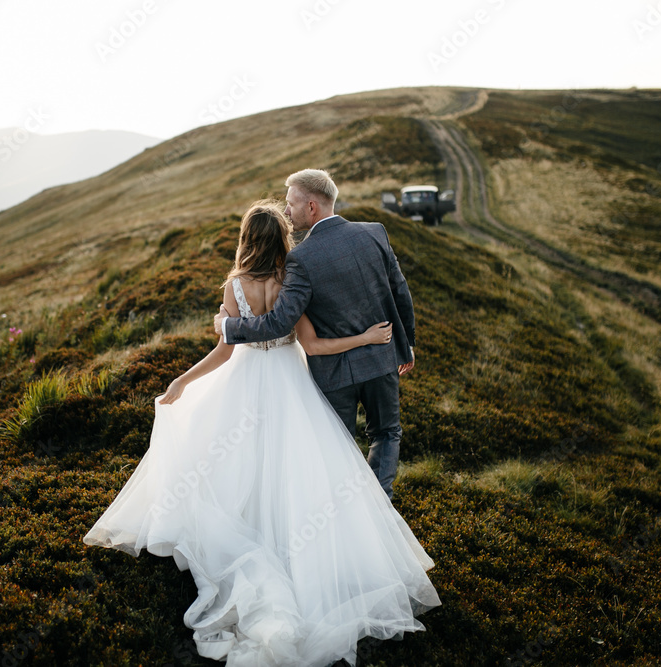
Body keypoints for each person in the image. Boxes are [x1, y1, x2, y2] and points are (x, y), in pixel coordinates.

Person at [83, 199, 440, 667]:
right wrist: (367, 339)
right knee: (304, 469)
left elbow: (225, 353)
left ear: (246, 240)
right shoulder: (293, 281)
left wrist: (181, 381)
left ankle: (250, 535)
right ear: (282, 242)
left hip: (245, 384)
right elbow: (311, 345)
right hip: (292, 385)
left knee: (230, 464)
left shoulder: (235, 287)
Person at [215, 169, 415, 500]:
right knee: (387, 432)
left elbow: (279, 322)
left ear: (311, 207)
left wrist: (228, 326)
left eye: (291, 204)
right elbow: (400, 290)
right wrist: (407, 346)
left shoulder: (300, 259)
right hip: (381, 358)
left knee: (337, 445)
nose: (287, 213)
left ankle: (346, 513)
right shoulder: (375, 233)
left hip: (334, 372)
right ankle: (381, 503)